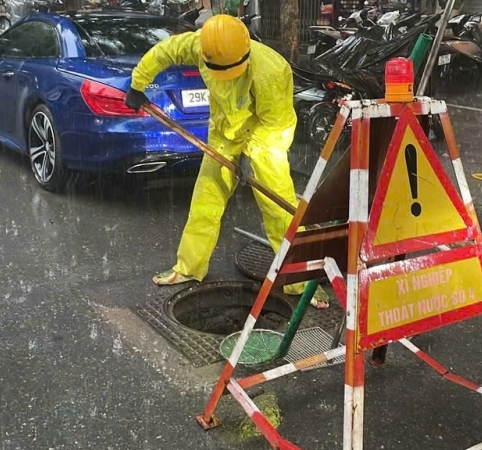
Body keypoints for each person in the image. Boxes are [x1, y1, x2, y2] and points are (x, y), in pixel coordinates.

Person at [124, 14, 330, 309]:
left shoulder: (271, 71)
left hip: (264, 142)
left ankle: (304, 280)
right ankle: (189, 267)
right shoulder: (201, 45)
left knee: (279, 210)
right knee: (205, 202)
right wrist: (137, 84)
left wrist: (250, 155)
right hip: (223, 135)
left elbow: (276, 125)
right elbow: (163, 52)